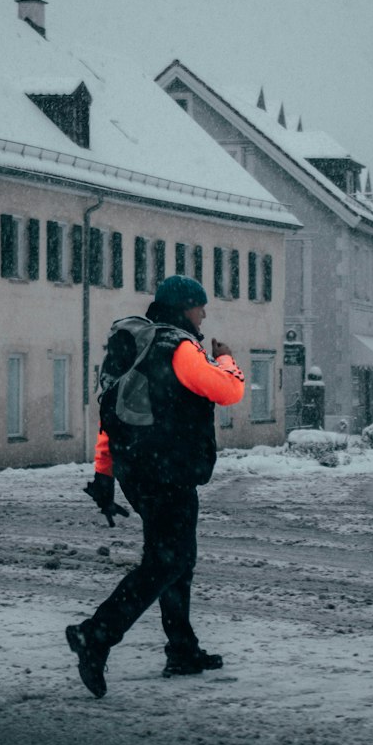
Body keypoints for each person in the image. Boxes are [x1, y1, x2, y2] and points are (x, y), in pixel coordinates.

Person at [66, 274, 245, 698]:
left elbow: (111, 418)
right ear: (185, 307)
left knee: (176, 558)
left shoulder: (135, 346)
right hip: (169, 473)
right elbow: (228, 391)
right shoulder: (178, 348)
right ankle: (97, 633)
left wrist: (105, 474)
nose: (203, 314)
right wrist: (227, 360)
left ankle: (182, 648)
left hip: (139, 472)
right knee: (166, 562)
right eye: (200, 306)